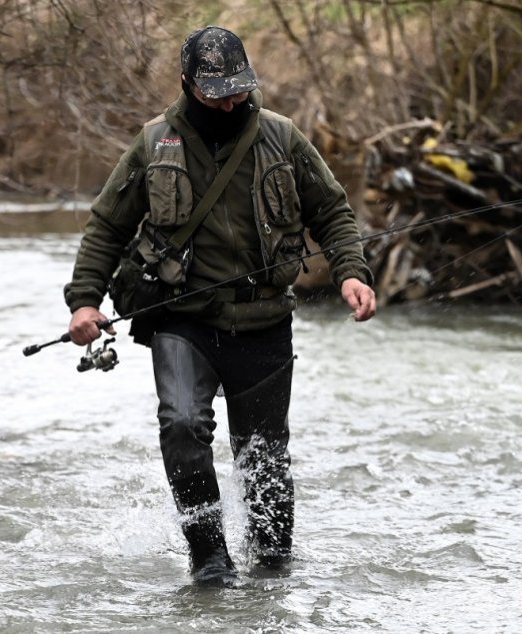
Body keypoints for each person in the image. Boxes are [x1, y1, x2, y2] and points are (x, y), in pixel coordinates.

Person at [64, 25, 376, 587]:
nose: (231, 99)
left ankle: (273, 564)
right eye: (217, 91)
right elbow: (108, 226)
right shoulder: (154, 141)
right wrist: (85, 300)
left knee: (263, 454)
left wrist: (351, 273)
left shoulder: (281, 136)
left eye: (238, 87)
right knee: (181, 426)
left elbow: (331, 211)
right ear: (188, 83)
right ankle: (207, 558)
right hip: (183, 319)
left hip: (263, 321)